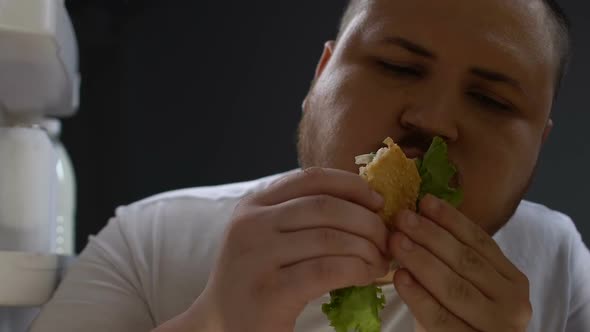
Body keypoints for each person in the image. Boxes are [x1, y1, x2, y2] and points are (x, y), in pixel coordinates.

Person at [30, 0, 590, 331]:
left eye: (493, 101)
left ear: (539, 144)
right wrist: (216, 322)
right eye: (397, 66)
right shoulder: (150, 241)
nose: (435, 119)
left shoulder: (559, 265)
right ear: (321, 77)